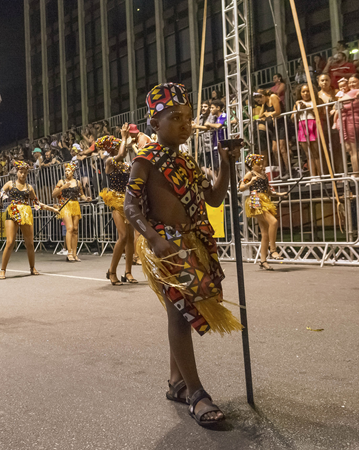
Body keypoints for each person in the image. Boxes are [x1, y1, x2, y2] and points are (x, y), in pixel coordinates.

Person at [124, 82, 243, 427]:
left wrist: (225, 164)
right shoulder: (144, 162)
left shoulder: (188, 162)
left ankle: (176, 382)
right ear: (154, 124)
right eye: (174, 117)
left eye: (188, 117)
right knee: (180, 316)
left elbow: (215, 198)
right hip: (166, 248)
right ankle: (196, 394)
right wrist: (153, 239)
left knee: (182, 313)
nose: (185, 123)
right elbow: (131, 207)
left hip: (193, 244)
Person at [0, 160, 58, 279]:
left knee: (30, 243)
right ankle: (2, 270)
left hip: (26, 213)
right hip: (12, 211)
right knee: (10, 241)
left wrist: (52, 209)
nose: (22, 175)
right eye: (20, 172)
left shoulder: (29, 188)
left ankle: (32, 267)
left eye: (25, 173)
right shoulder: (10, 184)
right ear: (17, 172)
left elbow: (37, 203)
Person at [97, 131, 138, 285]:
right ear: (113, 149)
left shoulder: (127, 165)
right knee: (122, 236)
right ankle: (112, 271)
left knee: (130, 238)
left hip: (128, 200)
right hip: (116, 201)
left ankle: (128, 272)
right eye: (121, 146)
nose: (125, 148)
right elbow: (121, 154)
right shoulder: (110, 161)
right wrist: (123, 138)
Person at [240, 153, 289, 269]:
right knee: (273, 222)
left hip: (264, 199)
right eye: (258, 164)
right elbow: (241, 187)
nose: (262, 166)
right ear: (252, 165)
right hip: (256, 200)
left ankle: (263, 260)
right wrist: (250, 183)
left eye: (262, 164)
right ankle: (273, 250)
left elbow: (268, 190)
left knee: (265, 233)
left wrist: (280, 194)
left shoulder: (263, 175)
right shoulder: (250, 174)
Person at [334, 75, 359, 174]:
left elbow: (339, 102)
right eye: (350, 82)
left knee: (354, 149)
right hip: (350, 121)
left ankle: (356, 173)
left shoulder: (354, 92)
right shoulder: (354, 93)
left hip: (352, 121)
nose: (351, 84)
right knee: (352, 149)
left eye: (354, 82)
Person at [53, 162, 85, 262]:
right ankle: (69, 252)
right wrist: (63, 187)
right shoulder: (61, 182)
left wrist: (86, 198)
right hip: (65, 205)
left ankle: (75, 254)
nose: (67, 172)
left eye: (69, 171)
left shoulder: (78, 182)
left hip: (75, 205)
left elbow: (81, 194)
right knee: (69, 228)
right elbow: (53, 194)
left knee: (75, 229)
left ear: (73, 172)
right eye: (66, 171)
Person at [294, 84, 323, 176]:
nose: (305, 93)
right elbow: (292, 117)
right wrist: (298, 111)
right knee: (308, 154)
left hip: (312, 124)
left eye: (308, 91)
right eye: (303, 91)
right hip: (302, 125)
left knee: (316, 153)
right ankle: (313, 176)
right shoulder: (298, 102)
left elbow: (319, 113)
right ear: (300, 93)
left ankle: (320, 175)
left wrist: (309, 109)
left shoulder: (315, 101)